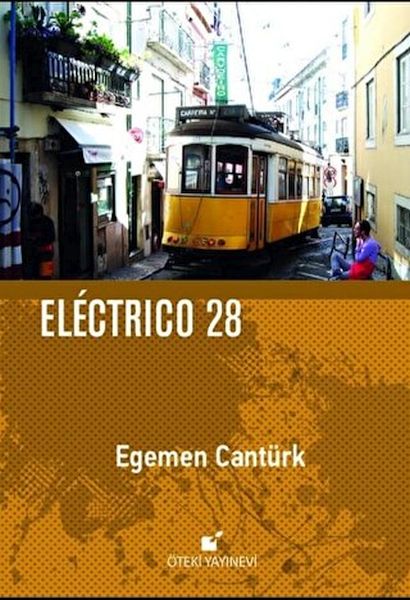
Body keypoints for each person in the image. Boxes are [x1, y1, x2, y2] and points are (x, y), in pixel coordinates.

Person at [27, 202, 56, 279]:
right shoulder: (34, 222)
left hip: (45, 253)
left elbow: (51, 237)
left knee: (45, 276)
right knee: (39, 275)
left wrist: (37, 238)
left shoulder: (47, 222)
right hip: (38, 253)